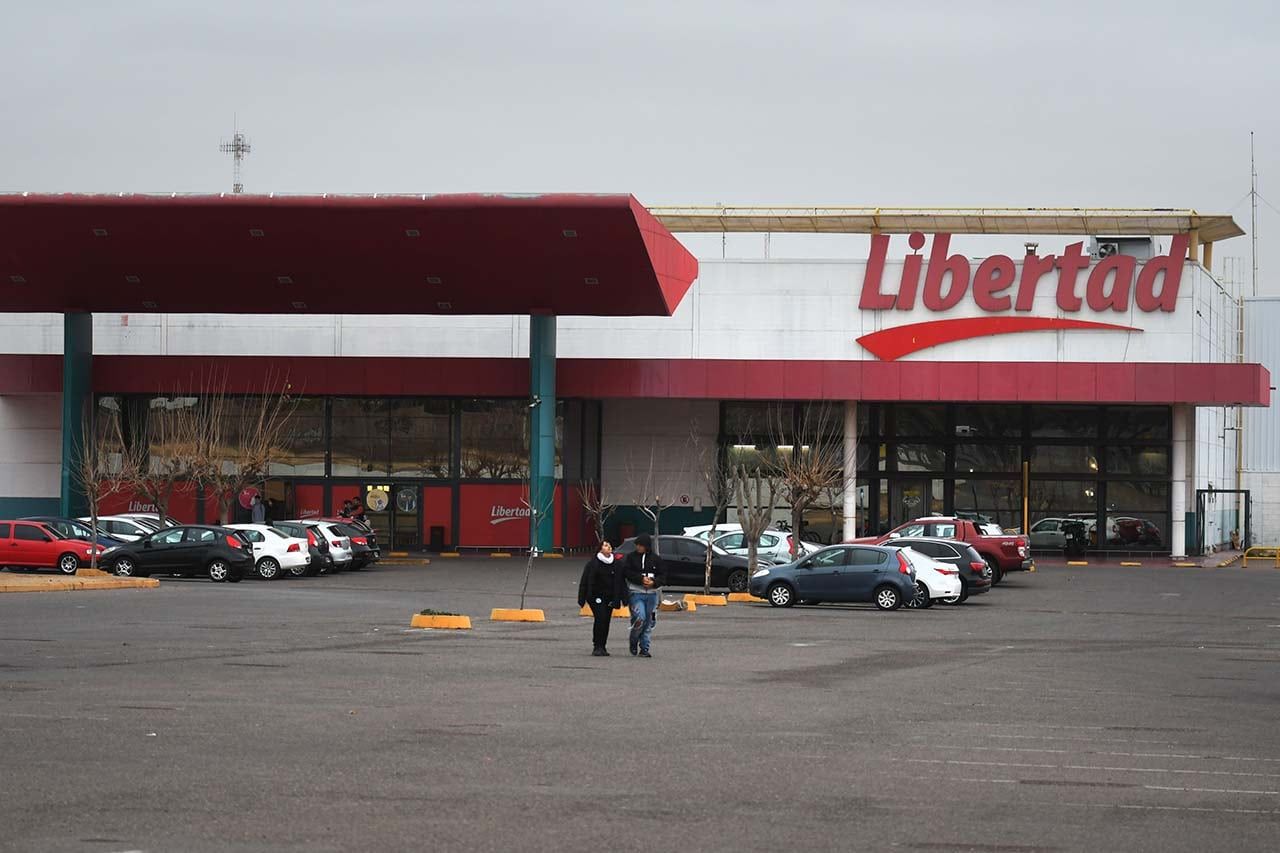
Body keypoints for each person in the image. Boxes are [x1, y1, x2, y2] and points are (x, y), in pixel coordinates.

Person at [577, 540, 623, 657]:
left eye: (609, 545)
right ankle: (597, 646)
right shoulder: (593, 563)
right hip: (596, 597)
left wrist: (623, 597)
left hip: (610, 597)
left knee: (606, 621)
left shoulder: (616, 564)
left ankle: (603, 646)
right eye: (606, 545)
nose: (609, 547)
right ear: (600, 548)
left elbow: (620, 582)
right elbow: (585, 581)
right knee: (600, 618)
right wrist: (582, 598)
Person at [623, 533, 664, 658]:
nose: (638, 547)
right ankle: (634, 640)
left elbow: (663, 575)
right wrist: (641, 579)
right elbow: (627, 572)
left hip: (652, 595)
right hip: (636, 593)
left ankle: (644, 648)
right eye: (637, 545)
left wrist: (654, 582)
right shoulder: (631, 558)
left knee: (648, 622)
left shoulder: (656, 559)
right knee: (640, 618)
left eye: (641, 545)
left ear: (646, 546)